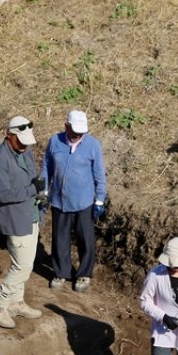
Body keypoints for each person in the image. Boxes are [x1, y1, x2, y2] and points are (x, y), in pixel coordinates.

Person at [0, 116, 47, 329]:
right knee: (22, 266)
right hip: (15, 218)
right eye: (20, 142)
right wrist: (33, 189)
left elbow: (32, 176)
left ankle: (16, 302)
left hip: (31, 214)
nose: (24, 146)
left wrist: (41, 193)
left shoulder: (24, 150)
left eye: (27, 142)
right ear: (9, 135)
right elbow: (3, 194)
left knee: (25, 264)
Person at [41, 109, 107, 293]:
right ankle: (61, 272)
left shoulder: (93, 145)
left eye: (81, 132)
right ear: (66, 126)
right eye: (74, 130)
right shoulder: (55, 141)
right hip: (59, 201)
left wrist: (100, 199)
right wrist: (44, 190)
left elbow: (99, 174)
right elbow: (46, 167)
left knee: (85, 239)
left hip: (83, 202)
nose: (78, 134)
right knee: (60, 239)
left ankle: (84, 274)